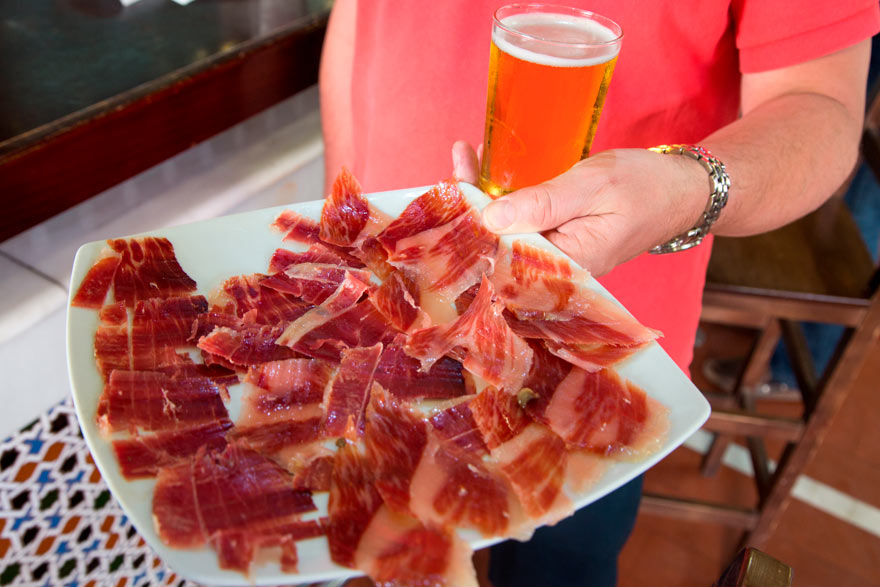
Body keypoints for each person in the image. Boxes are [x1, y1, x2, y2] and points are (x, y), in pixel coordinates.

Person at [319, 1, 880, 585]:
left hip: (589, 346)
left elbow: (822, 106)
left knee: (559, 570)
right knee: (371, 546)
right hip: (381, 298)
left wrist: (688, 191)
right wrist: (341, 222)